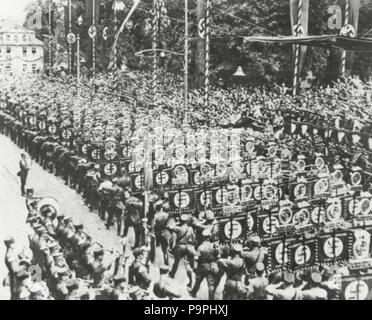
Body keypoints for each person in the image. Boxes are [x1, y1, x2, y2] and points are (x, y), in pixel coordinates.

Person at [189, 229, 221, 300]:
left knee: (198, 280)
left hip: (203, 266)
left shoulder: (201, 247)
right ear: (209, 236)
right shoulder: (215, 246)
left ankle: (193, 293)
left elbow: (196, 258)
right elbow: (218, 257)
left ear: (203, 237)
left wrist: (195, 266)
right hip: (212, 266)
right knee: (211, 284)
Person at [167, 214, 196, 288]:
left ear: (180, 220)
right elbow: (193, 238)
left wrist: (177, 223)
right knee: (187, 265)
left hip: (180, 246)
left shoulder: (178, 228)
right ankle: (190, 281)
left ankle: (172, 274)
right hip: (188, 247)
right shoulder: (190, 228)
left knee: (176, 262)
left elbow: (169, 227)